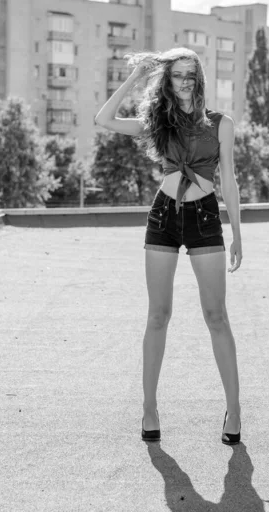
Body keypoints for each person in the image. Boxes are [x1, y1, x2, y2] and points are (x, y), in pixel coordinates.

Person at [94, 47, 242, 445]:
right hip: (163, 217)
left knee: (216, 316)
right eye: (177, 74)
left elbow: (229, 181)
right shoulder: (157, 123)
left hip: (206, 218)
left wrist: (238, 235)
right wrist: (134, 78)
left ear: (200, 78)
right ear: (167, 80)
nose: (184, 80)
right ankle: (149, 408)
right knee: (158, 315)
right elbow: (103, 120)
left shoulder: (220, 123)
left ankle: (235, 409)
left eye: (190, 73)